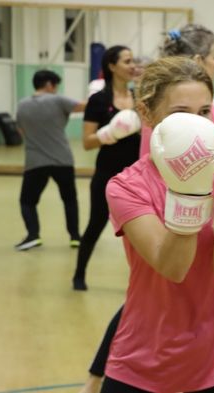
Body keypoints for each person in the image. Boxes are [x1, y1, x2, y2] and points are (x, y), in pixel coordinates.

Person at [78, 24, 214, 393]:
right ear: (147, 115)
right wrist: (193, 190)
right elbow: (174, 267)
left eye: (203, 111)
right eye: (181, 113)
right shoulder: (125, 186)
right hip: (144, 361)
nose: (197, 124)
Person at [72, 45, 141, 290]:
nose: (133, 65)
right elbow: (87, 142)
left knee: (140, 230)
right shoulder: (98, 100)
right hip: (107, 174)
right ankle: (79, 274)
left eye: (134, 60)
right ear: (111, 66)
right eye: (127, 61)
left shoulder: (139, 98)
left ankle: (142, 281)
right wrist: (110, 133)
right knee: (96, 224)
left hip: (137, 177)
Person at [14, 70, 86, 251]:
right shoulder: (57, 100)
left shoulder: (22, 105)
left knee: (27, 201)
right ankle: (75, 237)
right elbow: (83, 106)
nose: (55, 89)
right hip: (62, 159)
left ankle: (33, 235)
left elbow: (21, 132)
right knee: (69, 199)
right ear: (48, 84)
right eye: (55, 85)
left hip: (34, 161)